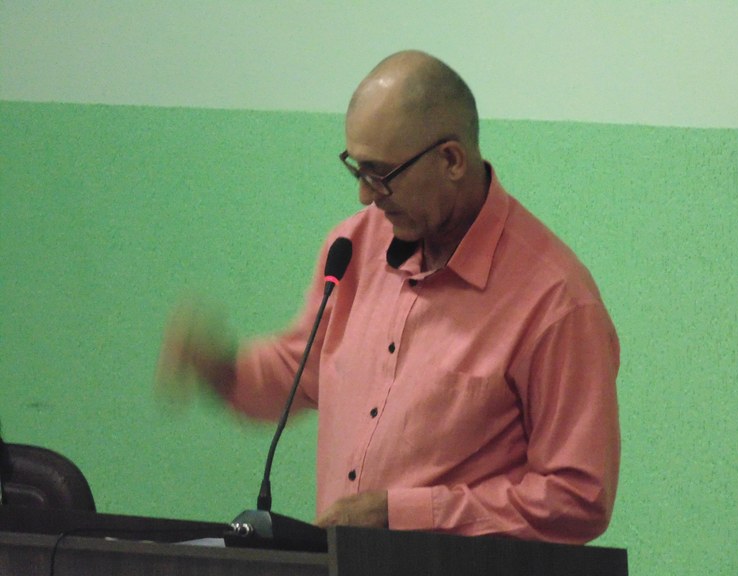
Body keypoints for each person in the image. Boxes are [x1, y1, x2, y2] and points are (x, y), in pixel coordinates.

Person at [157, 50, 620, 544]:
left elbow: (577, 497)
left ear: (451, 160)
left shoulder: (556, 299)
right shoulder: (352, 247)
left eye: (381, 174)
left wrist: (402, 513)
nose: (365, 195)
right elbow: (302, 368)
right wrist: (221, 369)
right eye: (357, 169)